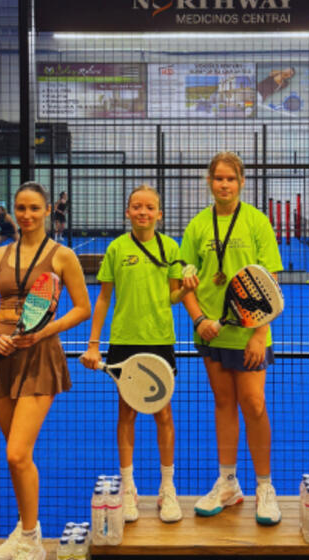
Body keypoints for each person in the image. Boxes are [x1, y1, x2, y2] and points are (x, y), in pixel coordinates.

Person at [0, 182, 91, 560]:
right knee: (17, 454)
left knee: (16, 453)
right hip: (0, 355)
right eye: (21, 208)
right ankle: (27, 529)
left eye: (34, 208)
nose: (27, 215)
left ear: (47, 211)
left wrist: (43, 331)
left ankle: (31, 538)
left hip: (40, 357)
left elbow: (82, 308)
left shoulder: (63, 256)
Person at [81, 185, 199, 524]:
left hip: (160, 341)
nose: (143, 212)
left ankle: (167, 488)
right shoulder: (116, 248)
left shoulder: (171, 247)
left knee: (163, 414)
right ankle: (128, 488)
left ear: (159, 213)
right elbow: (104, 298)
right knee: (127, 413)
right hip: (124, 343)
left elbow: (173, 297)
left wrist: (187, 289)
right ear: (128, 212)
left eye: (149, 207)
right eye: (137, 206)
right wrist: (93, 344)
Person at [180, 152, 284, 526]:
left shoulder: (257, 221)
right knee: (224, 403)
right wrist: (199, 320)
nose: (224, 184)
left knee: (253, 404)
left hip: (251, 334)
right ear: (210, 181)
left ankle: (264, 487)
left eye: (231, 178)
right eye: (218, 178)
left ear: (241, 182)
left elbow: (271, 281)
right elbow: (184, 282)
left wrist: (259, 333)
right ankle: (228, 483)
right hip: (212, 333)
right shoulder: (197, 225)